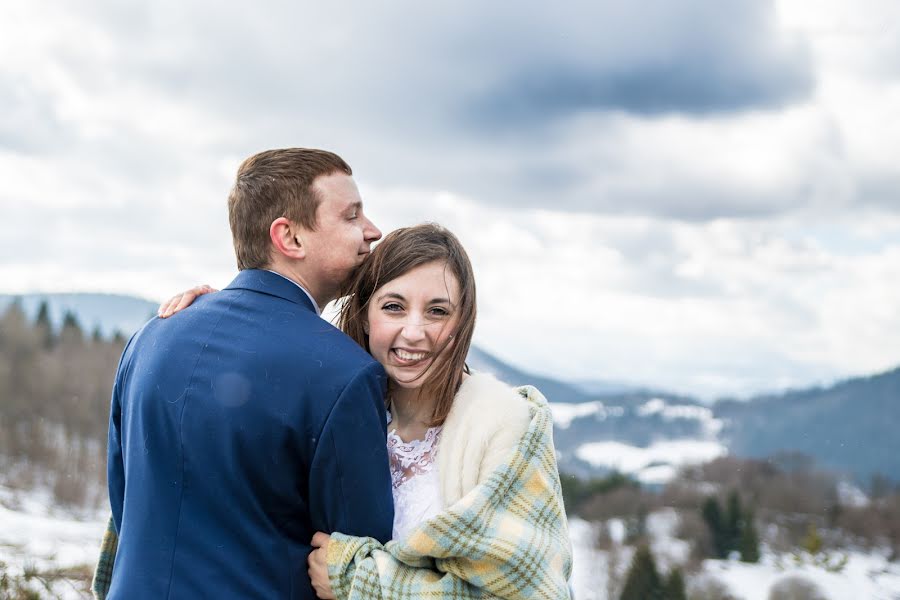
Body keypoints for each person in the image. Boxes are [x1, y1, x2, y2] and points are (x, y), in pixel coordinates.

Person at [150, 223, 573, 599]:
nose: (414, 332)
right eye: (393, 306)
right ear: (366, 314)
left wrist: (362, 582)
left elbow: (536, 591)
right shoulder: (329, 407)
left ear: (463, 321)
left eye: (438, 311)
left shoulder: (503, 425)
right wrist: (215, 316)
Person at [96, 148, 394, 600]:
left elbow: (125, 503)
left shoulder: (149, 339)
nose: (372, 231)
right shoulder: (346, 373)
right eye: (351, 216)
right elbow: (353, 563)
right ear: (289, 238)